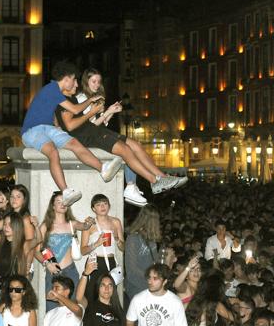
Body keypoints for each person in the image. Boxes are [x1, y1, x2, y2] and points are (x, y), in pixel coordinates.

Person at [58, 68, 186, 204]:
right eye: (93, 81)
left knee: (136, 145)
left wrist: (110, 112)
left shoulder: (96, 98)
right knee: (125, 149)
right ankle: (150, 182)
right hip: (92, 135)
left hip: (100, 133)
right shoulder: (83, 98)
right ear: (86, 82)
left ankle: (162, 177)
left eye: (98, 82)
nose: (96, 84)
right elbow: (89, 126)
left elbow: (102, 124)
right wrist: (107, 112)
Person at [20, 60, 123, 206]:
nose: (76, 83)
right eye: (74, 79)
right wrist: (91, 100)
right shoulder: (52, 88)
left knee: (75, 143)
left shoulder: (54, 92)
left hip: (48, 129)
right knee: (53, 152)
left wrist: (57, 126)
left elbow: (54, 113)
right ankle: (66, 191)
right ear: (66, 78)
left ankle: (103, 169)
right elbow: (75, 109)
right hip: (32, 130)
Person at [35, 191, 92, 311]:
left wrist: (89, 222)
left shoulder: (72, 224)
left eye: (65, 201)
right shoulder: (45, 226)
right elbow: (36, 251)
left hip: (70, 270)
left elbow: (84, 226)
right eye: (58, 201)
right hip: (53, 272)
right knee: (52, 308)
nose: (62, 204)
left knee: (74, 305)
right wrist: (47, 264)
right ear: (53, 205)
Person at [81, 194, 124, 303]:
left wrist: (117, 239)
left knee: (111, 296)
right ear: (93, 208)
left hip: (111, 261)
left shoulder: (116, 222)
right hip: (95, 262)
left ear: (109, 206)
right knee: (92, 295)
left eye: (105, 204)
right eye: (99, 205)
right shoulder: (90, 224)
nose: (102, 207)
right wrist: (96, 244)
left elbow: (123, 248)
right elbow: (83, 250)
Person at [124, 205, 161, 301]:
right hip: (137, 285)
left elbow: (155, 262)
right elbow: (131, 268)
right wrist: (151, 276)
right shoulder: (133, 238)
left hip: (151, 283)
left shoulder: (152, 238)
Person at [0, 212, 34, 281]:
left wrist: (36, 226)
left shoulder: (23, 245)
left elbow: (38, 240)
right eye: (4, 224)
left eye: (10, 225)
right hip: (2, 286)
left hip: (17, 287)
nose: (6, 227)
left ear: (17, 226)